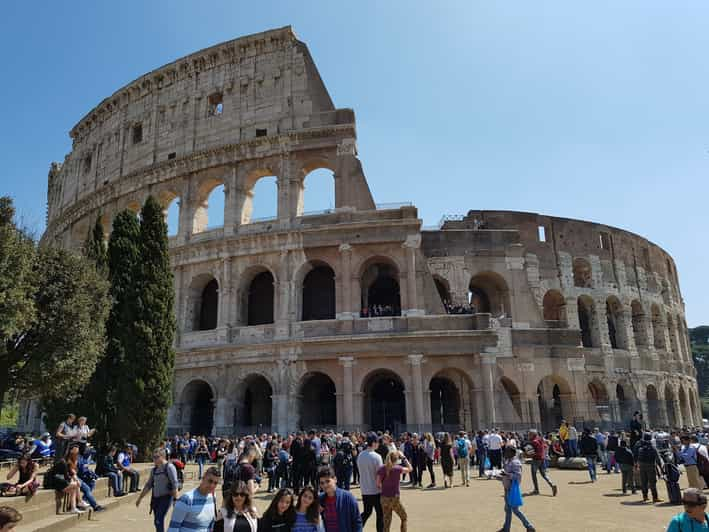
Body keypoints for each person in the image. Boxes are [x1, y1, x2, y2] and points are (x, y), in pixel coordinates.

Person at [136, 448, 179, 532]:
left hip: (166, 498)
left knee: (158, 520)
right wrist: (140, 498)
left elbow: (175, 484)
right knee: (157, 521)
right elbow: (148, 485)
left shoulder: (169, 467)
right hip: (156, 499)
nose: (154, 459)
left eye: (156, 457)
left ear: (163, 457)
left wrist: (175, 501)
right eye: (153, 457)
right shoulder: (154, 470)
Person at [168, 466, 220, 532]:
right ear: (203, 477)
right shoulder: (186, 499)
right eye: (210, 481)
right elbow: (173, 528)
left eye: (215, 483)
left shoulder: (212, 497)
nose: (212, 485)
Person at [497, 446, 535, 532]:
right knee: (508, 510)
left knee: (515, 510)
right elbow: (505, 475)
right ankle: (506, 528)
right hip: (507, 488)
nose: (504, 453)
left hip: (512, 489)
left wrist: (506, 474)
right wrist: (497, 476)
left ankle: (529, 527)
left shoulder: (515, 463)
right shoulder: (508, 461)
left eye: (506, 452)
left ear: (512, 453)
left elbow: (517, 476)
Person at [317, 466, 362, 532]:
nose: (325, 485)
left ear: (335, 479)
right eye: (322, 483)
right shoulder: (320, 499)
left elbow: (357, 522)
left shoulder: (348, 497)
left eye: (327, 481)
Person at [376, 451, 410, 532]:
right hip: (394, 497)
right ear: (396, 459)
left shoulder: (381, 468)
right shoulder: (397, 468)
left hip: (384, 497)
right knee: (404, 517)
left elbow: (378, 484)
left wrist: (384, 487)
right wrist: (404, 458)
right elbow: (410, 468)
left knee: (386, 521)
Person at [357, 434, 384, 532]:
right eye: (377, 442)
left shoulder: (360, 455)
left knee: (367, 512)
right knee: (380, 514)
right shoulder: (377, 457)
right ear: (373, 443)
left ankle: (356, 527)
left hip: (365, 489)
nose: (378, 444)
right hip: (376, 490)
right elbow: (380, 474)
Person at [635, 433, 663, 503]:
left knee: (644, 482)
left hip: (642, 466)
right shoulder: (653, 448)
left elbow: (638, 457)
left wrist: (637, 465)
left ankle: (645, 497)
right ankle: (655, 497)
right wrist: (661, 468)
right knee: (652, 482)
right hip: (650, 465)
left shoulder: (640, 448)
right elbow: (658, 459)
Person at [528, 430, 557, 496]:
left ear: (533, 435)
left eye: (529, 434)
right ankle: (552, 484)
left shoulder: (533, 442)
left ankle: (536, 490)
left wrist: (527, 454)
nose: (528, 436)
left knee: (534, 475)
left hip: (535, 460)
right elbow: (547, 444)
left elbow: (531, 452)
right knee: (544, 475)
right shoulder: (540, 439)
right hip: (542, 459)